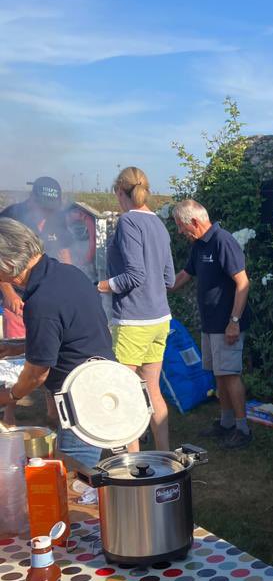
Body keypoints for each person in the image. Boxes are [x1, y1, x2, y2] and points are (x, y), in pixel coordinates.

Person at [0, 218, 113, 468]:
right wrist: (18, 347)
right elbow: (71, 332)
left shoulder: (41, 301)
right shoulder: (68, 273)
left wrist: (10, 395)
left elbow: (37, 373)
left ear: (8, 264)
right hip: (104, 382)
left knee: (74, 480)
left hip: (81, 398)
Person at [98, 167, 175, 452]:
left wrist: (102, 285)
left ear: (120, 192)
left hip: (133, 321)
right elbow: (168, 278)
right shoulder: (158, 223)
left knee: (127, 391)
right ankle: (165, 455)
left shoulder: (128, 222)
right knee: (152, 388)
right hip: (160, 319)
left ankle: (133, 459)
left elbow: (134, 276)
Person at [169, 200, 252, 449]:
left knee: (230, 374)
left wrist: (234, 322)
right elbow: (185, 275)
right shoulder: (199, 245)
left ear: (194, 222)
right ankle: (226, 423)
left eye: (181, 227)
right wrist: (162, 288)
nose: (181, 232)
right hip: (210, 324)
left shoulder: (223, 241)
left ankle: (243, 429)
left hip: (227, 323)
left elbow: (243, 283)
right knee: (219, 374)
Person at [1, 176, 74, 348]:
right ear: (32, 198)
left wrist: (70, 283)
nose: (47, 213)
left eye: (51, 209)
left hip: (46, 293)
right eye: (43, 208)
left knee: (45, 343)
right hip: (17, 295)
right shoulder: (10, 218)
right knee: (18, 348)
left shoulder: (57, 219)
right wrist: (8, 293)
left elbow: (64, 251)